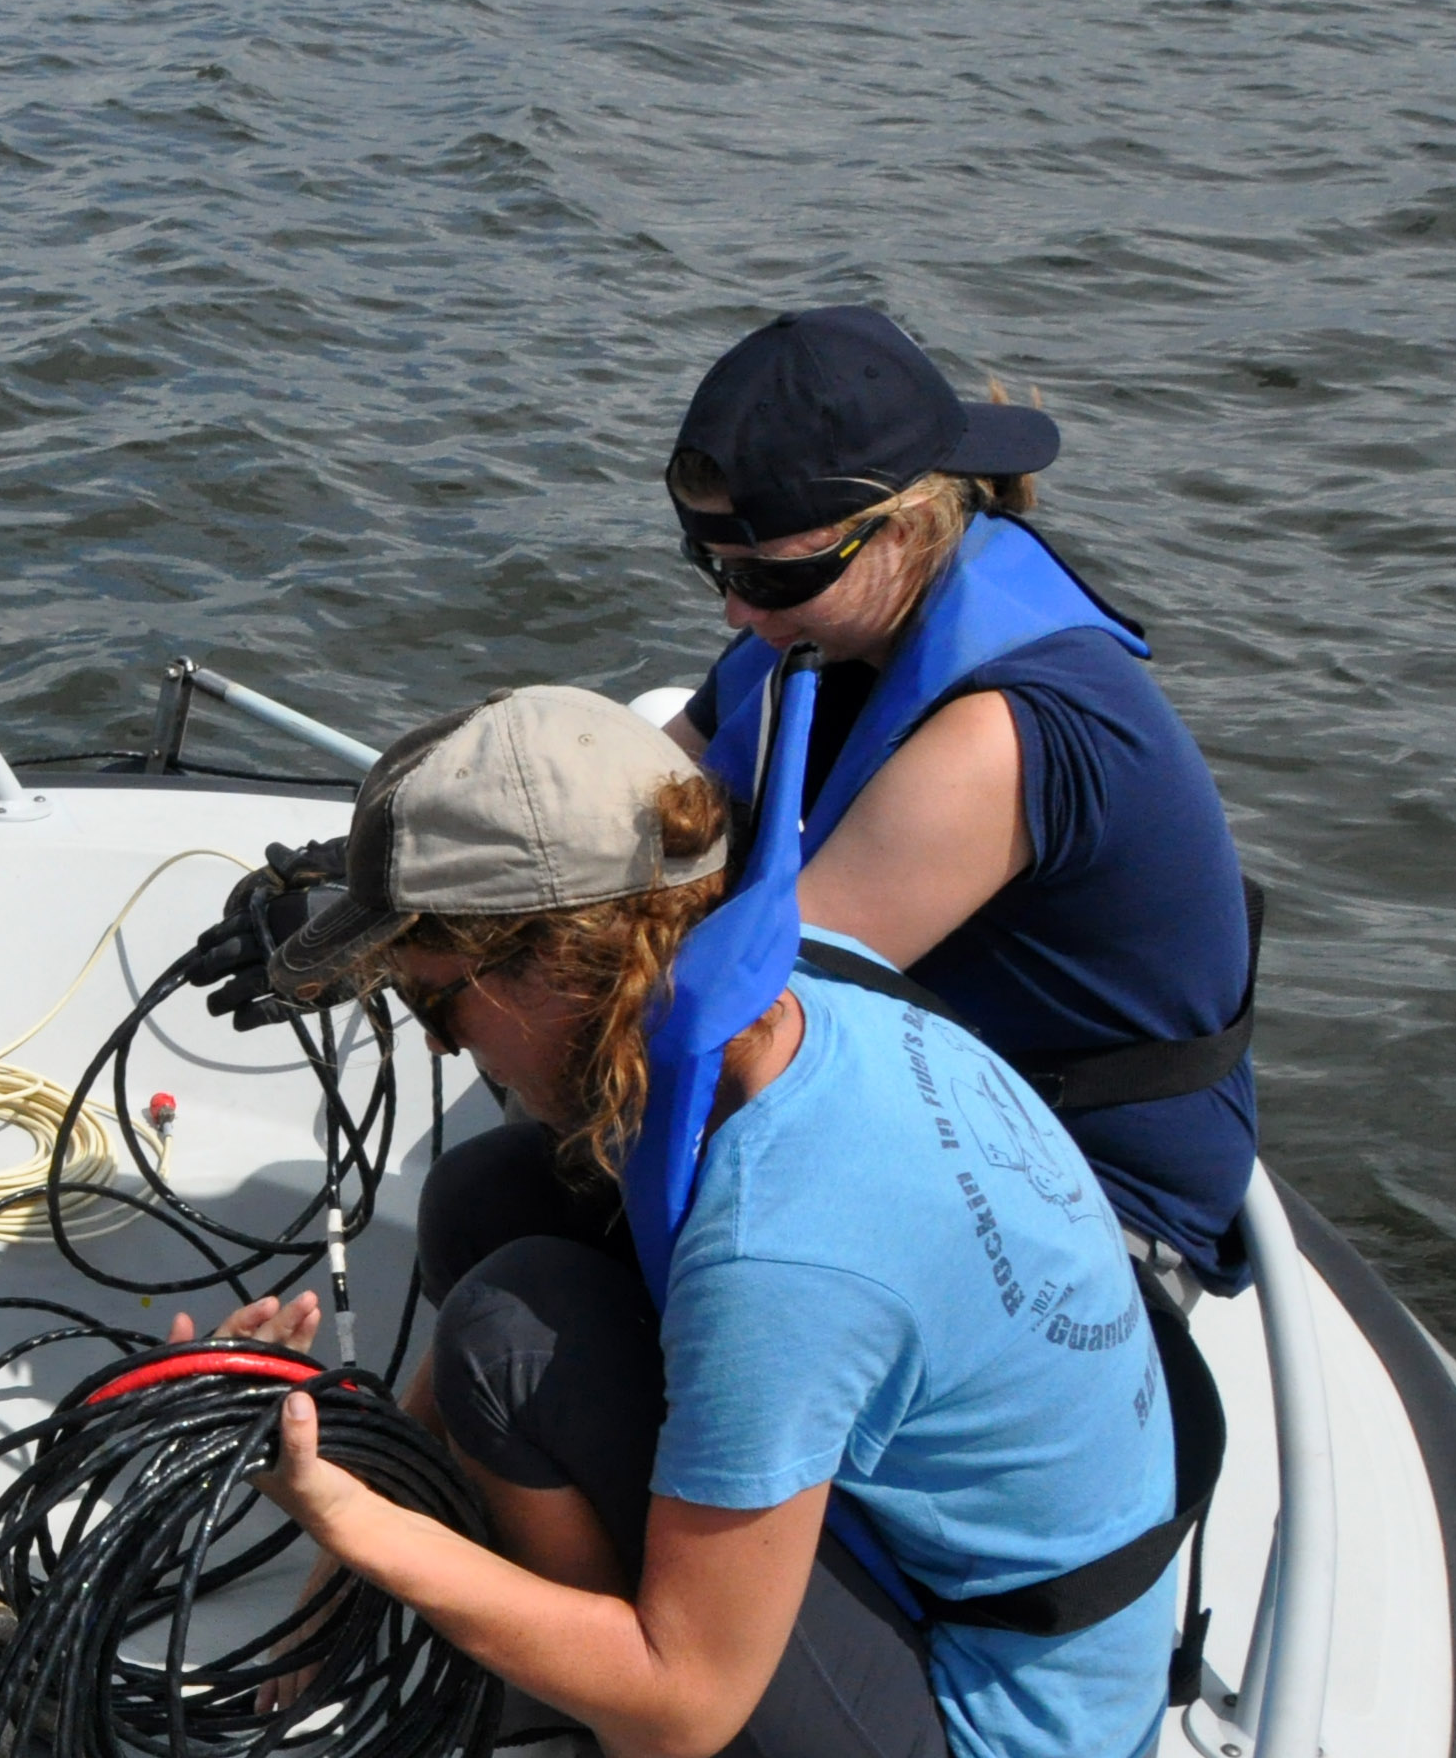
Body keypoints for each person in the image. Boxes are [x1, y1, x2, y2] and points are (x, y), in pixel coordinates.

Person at [238, 688, 1185, 1758]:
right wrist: (338, 1543)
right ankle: (552, 1630)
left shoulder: (784, 1235)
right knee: (494, 1194)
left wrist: (354, 1519)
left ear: (556, 961)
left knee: (508, 1346)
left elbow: (688, 1691)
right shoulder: (788, 982)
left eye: (435, 1003)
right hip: (954, 1571)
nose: (447, 1044)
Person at [370, 306, 1257, 1314]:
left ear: (906, 523)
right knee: (484, 1199)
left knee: (532, 1275)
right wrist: (365, 899)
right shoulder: (816, 631)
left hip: (1079, 1200)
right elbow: (595, 833)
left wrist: (468, 977)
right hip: (924, 1096)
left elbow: (742, 1027)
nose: (734, 611)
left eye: (765, 573)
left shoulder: (996, 740)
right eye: (711, 564)